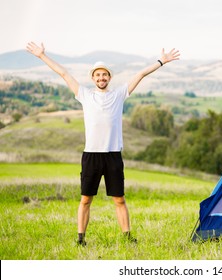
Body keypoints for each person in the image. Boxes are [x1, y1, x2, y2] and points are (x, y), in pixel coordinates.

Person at [26, 42, 180, 246]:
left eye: (104, 75)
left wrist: (162, 61)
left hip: (113, 155)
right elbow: (63, 73)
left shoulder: (119, 95)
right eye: (97, 75)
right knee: (85, 200)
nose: (101, 78)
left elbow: (140, 74)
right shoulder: (85, 95)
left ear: (109, 78)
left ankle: (127, 237)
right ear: (93, 78)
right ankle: (81, 239)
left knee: (119, 200)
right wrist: (41, 56)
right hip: (91, 155)